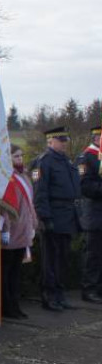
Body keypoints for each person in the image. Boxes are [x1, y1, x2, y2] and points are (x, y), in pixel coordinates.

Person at [32, 127, 81, 311]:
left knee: (63, 259)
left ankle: (60, 294)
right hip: (53, 213)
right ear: (50, 141)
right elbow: (40, 193)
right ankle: (49, 296)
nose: (64, 143)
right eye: (60, 140)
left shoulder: (66, 161)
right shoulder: (43, 162)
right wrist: (45, 217)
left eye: (65, 140)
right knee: (50, 259)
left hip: (67, 215)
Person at [0, 145, 37, 319]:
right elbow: (4, 207)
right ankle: (6, 305)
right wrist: (5, 228)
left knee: (16, 271)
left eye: (21, 156)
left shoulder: (25, 177)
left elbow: (30, 204)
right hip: (12, 230)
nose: (20, 160)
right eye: (16, 157)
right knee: (6, 271)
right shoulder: (6, 178)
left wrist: (34, 225)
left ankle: (15, 304)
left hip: (24, 228)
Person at [76, 127, 102, 304]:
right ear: (97, 138)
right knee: (93, 254)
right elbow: (85, 186)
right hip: (94, 214)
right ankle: (89, 289)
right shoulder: (86, 157)